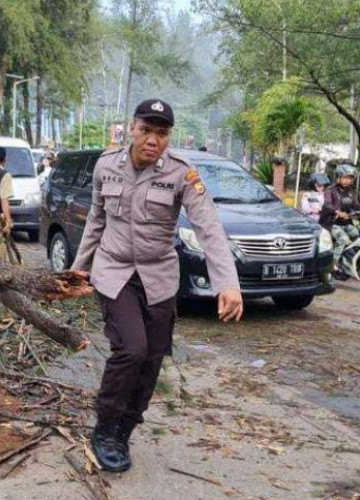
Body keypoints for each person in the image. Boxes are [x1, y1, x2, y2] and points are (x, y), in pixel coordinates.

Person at [71, 99, 243, 472]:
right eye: (145, 130)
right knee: (131, 349)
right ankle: (104, 427)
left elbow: (208, 227)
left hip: (159, 279)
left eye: (161, 133)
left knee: (151, 360)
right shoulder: (107, 166)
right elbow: (96, 222)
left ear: (169, 136)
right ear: (131, 128)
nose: (152, 140)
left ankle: (123, 432)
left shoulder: (182, 174)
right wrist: (78, 268)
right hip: (115, 273)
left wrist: (227, 283)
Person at [320, 164, 360, 267]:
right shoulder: (330, 190)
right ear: (338, 177)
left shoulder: (351, 192)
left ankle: (353, 260)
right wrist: (337, 212)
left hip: (347, 223)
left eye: (350, 178)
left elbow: (357, 206)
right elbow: (327, 204)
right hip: (331, 223)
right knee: (343, 238)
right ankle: (333, 263)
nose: (347, 180)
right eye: (344, 177)